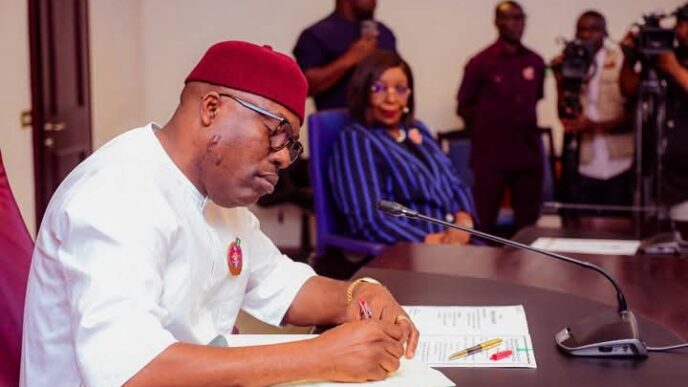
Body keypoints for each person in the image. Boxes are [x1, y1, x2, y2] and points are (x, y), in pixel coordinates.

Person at [20, 41, 418, 386]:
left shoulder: (219, 196)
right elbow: (130, 371)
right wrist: (319, 355)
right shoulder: (115, 194)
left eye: (291, 144)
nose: (282, 157)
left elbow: (283, 286)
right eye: (275, 133)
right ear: (211, 108)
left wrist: (358, 292)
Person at [329, 50, 476, 245]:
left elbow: (454, 180)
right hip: (412, 250)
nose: (391, 99)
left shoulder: (418, 129)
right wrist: (432, 241)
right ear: (363, 91)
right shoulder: (357, 139)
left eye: (400, 89)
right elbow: (368, 218)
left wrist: (464, 220)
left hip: (457, 240)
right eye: (379, 88)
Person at [456, 1, 546, 234]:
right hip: (491, 156)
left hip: (527, 154)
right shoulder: (481, 63)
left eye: (520, 18)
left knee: (529, 225)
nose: (515, 24)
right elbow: (464, 106)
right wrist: (490, 124)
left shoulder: (535, 61)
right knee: (482, 220)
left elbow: (536, 98)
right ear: (497, 22)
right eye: (509, 18)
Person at [552, 10, 633, 210]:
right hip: (583, 163)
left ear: (605, 32)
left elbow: (633, 112)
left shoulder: (622, 59)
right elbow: (564, 114)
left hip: (619, 162)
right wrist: (559, 81)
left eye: (594, 29)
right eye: (582, 29)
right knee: (581, 227)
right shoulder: (570, 60)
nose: (587, 35)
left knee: (619, 228)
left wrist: (593, 125)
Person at [620, 3, 688, 227]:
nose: (683, 30)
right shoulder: (664, 52)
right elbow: (628, 90)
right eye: (680, 23)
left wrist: (673, 68)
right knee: (651, 238)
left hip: (685, 178)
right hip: (656, 170)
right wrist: (629, 59)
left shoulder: (670, 60)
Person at [293, 0, 396, 110]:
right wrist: (348, 59)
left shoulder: (384, 33)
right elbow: (305, 86)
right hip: (338, 123)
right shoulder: (315, 35)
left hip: (384, 120)